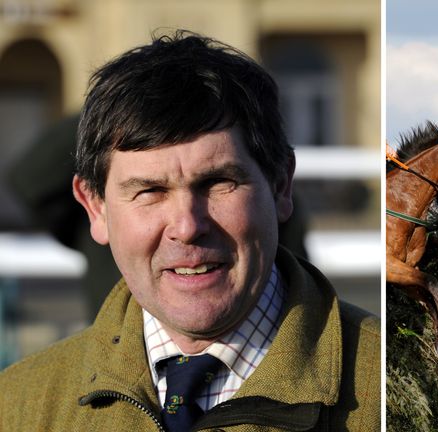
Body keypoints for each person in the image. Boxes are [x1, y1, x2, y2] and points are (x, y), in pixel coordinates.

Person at [0, 31, 380, 431]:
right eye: (150, 191)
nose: (187, 227)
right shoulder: (18, 406)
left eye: (218, 183)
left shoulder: (381, 388)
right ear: (95, 207)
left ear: (282, 185)